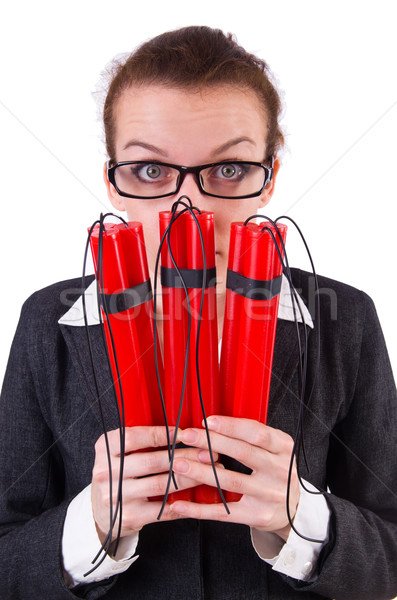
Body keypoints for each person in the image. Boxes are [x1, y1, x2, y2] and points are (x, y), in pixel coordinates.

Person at [0, 25, 396, 600]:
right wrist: (91, 524)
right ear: (113, 181)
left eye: (229, 169)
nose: (192, 207)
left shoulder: (346, 319)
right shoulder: (47, 323)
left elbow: (389, 554)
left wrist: (301, 518)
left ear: (269, 179)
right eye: (151, 170)